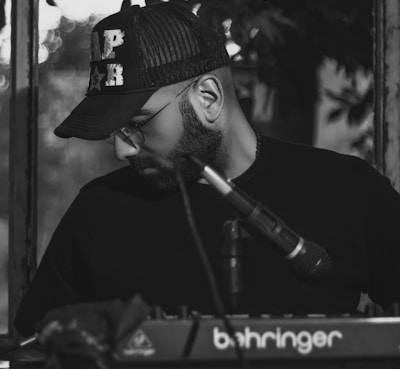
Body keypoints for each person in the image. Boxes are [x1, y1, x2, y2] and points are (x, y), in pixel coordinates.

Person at [14, 2, 400, 337]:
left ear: (209, 98)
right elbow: (36, 357)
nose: (120, 150)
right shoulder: (97, 213)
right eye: (114, 132)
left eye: (137, 123)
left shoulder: (348, 191)